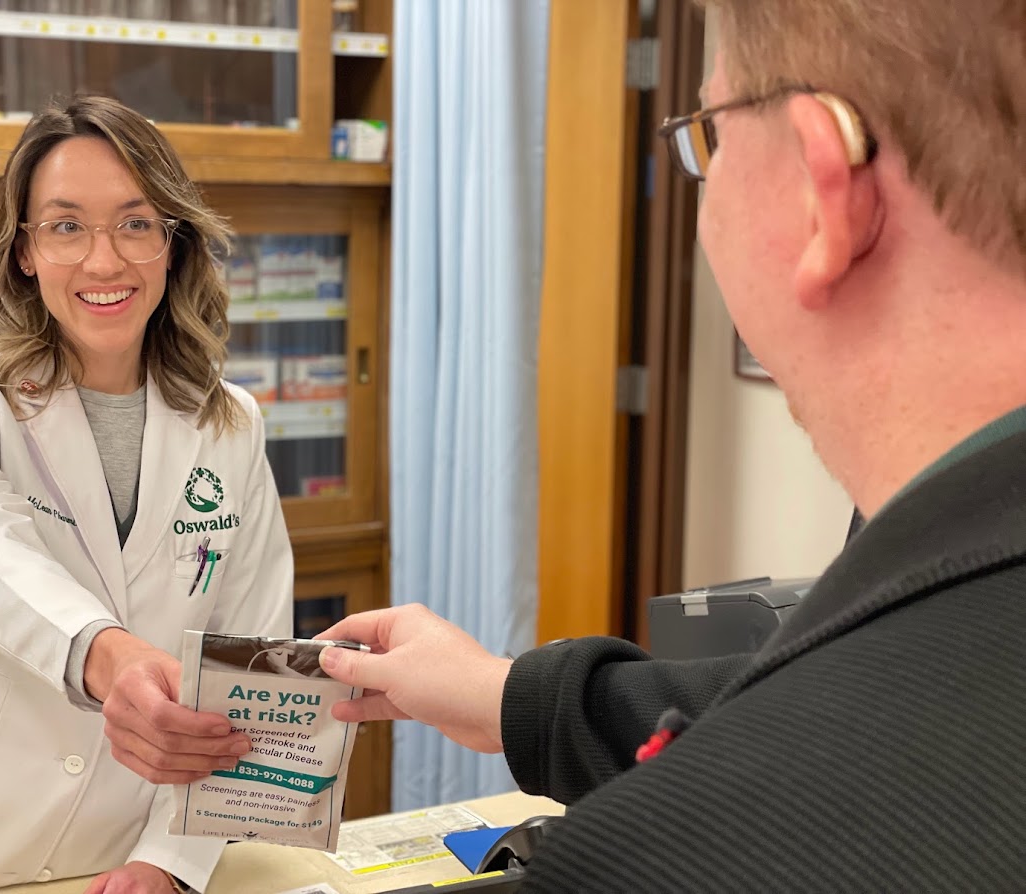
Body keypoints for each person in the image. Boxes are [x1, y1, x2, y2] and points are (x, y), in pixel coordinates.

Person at [317, 1, 1026, 890]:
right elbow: (806, 698)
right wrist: (513, 698)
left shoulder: (670, 855)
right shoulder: (940, 625)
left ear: (823, 189)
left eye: (711, 139)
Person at [0, 96, 294, 894]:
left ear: (173, 243)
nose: (104, 261)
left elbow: (253, 668)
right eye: (66, 225)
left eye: (136, 223)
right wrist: (110, 657)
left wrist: (170, 862)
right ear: (23, 251)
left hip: (125, 852)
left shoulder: (230, 425)